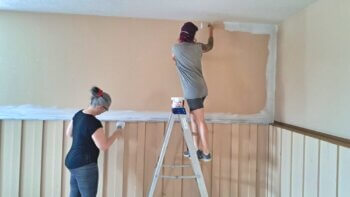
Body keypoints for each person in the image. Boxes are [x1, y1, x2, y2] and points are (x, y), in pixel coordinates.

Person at [65, 86, 123, 197]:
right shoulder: (93, 122)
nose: (104, 112)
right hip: (84, 165)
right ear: (101, 107)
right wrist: (117, 133)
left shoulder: (78, 114)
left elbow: (69, 133)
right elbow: (104, 146)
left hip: (71, 161)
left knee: (74, 194)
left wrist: (84, 138)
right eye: (105, 109)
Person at [172, 22, 214, 162]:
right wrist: (211, 32)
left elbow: (173, 59)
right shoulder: (198, 47)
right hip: (201, 89)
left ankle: (206, 152)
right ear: (193, 35)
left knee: (200, 120)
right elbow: (210, 46)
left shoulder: (176, 48)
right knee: (193, 118)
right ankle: (195, 149)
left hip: (192, 92)